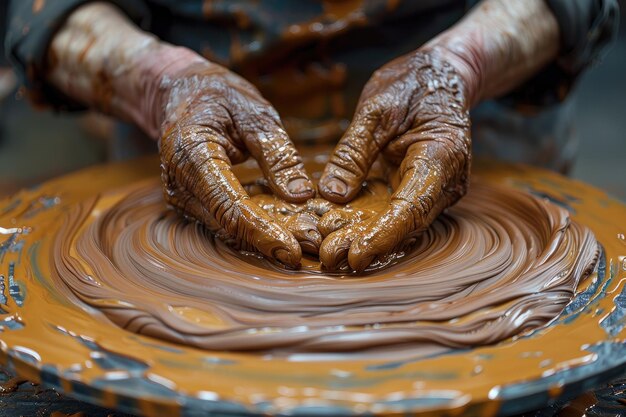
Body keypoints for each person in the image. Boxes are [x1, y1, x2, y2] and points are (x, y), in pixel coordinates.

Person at [5, 0, 619, 271]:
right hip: (187, 147)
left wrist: (461, 67)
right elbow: (40, 11)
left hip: (459, 128)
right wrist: (159, 83)